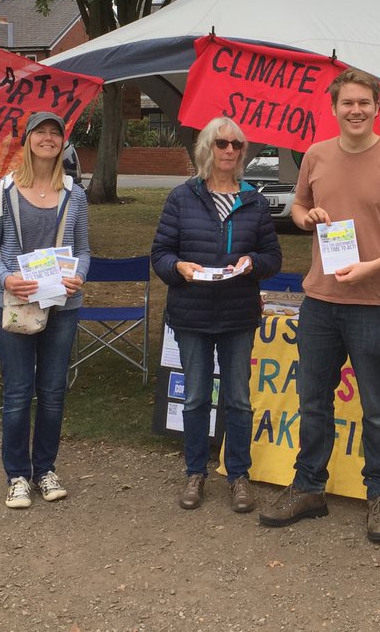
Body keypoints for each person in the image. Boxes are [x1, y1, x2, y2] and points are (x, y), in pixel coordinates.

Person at [258, 68, 380, 544]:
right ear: (333, 108)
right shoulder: (315, 155)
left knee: (376, 407)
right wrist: (305, 215)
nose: (356, 110)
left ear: (378, 107)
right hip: (318, 301)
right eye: (347, 103)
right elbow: (297, 209)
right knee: (313, 403)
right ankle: (309, 487)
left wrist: (376, 265)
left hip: (374, 303)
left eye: (364, 102)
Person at [151, 117, 282, 513]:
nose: (229, 151)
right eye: (221, 143)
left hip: (238, 314)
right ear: (207, 148)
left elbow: (272, 257)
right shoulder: (181, 197)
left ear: (243, 152)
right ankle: (196, 471)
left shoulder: (254, 200)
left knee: (239, 398)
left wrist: (252, 263)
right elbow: (160, 254)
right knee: (194, 397)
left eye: (236, 145)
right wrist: (179, 268)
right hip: (191, 313)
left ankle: (239, 475)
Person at [0, 111, 90, 509]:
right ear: (27, 140)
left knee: (53, 392)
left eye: (55, 133)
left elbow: (84, 250)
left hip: (62, 305)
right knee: (19, 391)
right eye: (40, 132)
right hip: (14, 304)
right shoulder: (3, 192)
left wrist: (79, 276)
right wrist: (6, 278)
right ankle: (17, 476)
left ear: (62, 143)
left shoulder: (75, 194)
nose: (47, 138)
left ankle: (45, 469)